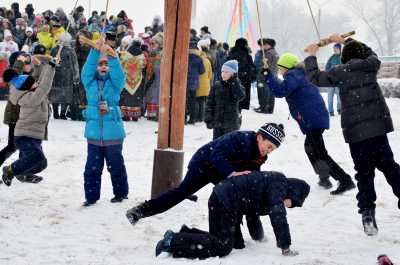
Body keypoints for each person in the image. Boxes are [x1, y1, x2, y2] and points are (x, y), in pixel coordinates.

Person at [304, 35, 400, 236]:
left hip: (357, 136)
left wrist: (312, 55)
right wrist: (348, 41)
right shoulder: (370, 66)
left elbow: (314, 78)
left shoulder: (339, 72)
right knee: (390, 167)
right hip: (377, 131)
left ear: (344, 58)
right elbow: (371, 53)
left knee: (364, 174)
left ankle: (367, 213)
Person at [126, 123, 285, 226]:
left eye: (272, 149)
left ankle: (250, 231)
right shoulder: (239, 138)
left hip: (224, 173)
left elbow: (252, 178)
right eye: (268, 146)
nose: (268, 151)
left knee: (240, 196)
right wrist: (232, 173)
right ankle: (140, 210)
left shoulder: (261, 156)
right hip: (204, 164)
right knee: (181, 192)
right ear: (259, 137)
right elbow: (216, 154)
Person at [155, 171, 310, 259]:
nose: (290, 206)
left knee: (235, 243)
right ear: (294, 192)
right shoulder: (279, 184)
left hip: (225, 199)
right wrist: (285, 247)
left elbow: (252, 215)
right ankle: (172, 241)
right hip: (225, 200)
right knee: (222, 247)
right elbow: (278, 215)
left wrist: (259, 237)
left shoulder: (273, 184)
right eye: (293, 203)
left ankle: (185, 234)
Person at [262, 53, 355, 195]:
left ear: (287, 67)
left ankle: (344, 180)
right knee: (310, 148)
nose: (280, 71)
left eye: (281, 68)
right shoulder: (298, 75)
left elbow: (280, 91)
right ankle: (325, 177)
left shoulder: (293, 76)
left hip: (313, 119)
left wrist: (268, 75)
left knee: (319, 152)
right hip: (315, 118)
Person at [80, 41, 129, 206]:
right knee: (92, 168)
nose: (103, 67)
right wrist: (95, 52)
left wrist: (112, 57)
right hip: (94, 133)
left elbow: (119, 75)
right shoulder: (90, 83)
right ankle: (91, 197)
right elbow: (86, 72)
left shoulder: (115, 85)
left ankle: (121, 193)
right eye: (100, 64)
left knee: (116, 166)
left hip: (113, 133)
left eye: (106, 64)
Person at [1, 55, 57, 186]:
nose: (37, 83)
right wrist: (51, 68)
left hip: (34, 136)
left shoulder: (33, 90)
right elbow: (45, 85)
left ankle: (21, 172)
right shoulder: (30, 98)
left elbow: (41, 81)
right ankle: (10, 170)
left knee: (42, 164)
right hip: (25, 136)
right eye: (34, 83)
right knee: (36, 157)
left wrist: (47, 65)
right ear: (28, 87)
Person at [205, 60, 245, 139]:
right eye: (222, 71)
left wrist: (234, 80)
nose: (223, 74)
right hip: (217, 123)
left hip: (231, 124)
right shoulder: (217, 85)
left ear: (233, 73)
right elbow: (210, 103)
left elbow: (240, 96)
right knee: (216, 145)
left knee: (228, 146)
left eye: (227, 72)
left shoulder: (236, 85)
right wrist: (208, 117)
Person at [227, 38, 256, 111]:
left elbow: (225, 66)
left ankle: (234, 115)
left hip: (232, 79)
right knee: (241, 100)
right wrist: (252, 77)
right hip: (244, 81)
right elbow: (251, 68)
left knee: (233, 100)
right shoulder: (247, 55)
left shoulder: (231, 54)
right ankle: (238, 115)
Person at [254, 38, 279, 114]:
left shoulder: (267, 53)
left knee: (263, 92)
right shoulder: (275, 52)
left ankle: (264, 107)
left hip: (265, 76)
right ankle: (269, 108)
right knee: (270, 93)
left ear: (268, 45)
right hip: (273, 75)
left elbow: (264, 65)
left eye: (263, 45)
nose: (261, 47)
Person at [325, 43, 342, 116]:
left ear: (340, 49)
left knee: (339, 96)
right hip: (331, 80)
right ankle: (330, 111)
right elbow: (326, 67)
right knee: (330, 96)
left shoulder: (342, 57)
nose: (335, 50)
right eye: (334, 49)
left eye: (336, 49)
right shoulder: (331, 58)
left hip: (338, 80)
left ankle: (339, 109)